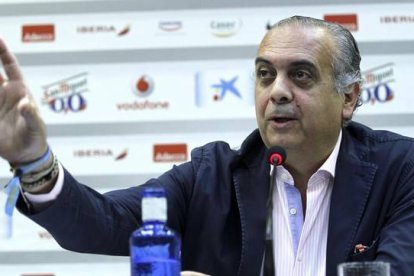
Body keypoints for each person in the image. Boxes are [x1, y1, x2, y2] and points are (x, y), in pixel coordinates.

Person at [1, 15, 414, 276]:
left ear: (348, 97)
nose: (278, 92)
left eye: (301, 76)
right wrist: (32, 161)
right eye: (266, 75)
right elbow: (100, 224)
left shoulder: (401, 170)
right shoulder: (211, 176)